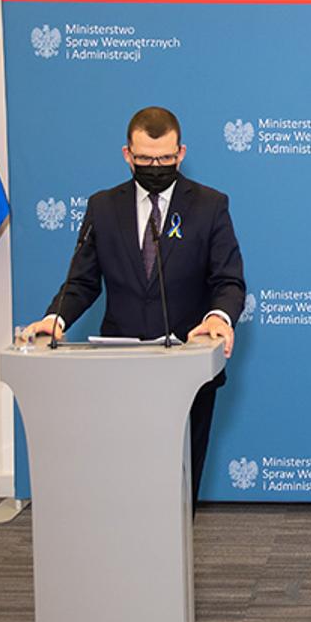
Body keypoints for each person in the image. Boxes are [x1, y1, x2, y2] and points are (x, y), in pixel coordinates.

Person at [20, 106, 246, 506]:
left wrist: (217, 317)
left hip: (186, 370)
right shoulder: (102, 208)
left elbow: (228, 281)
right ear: (127, 154)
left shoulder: (210, 206)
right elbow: (83, 281)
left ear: (181, 153)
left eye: (164, 158)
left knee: (178, 487)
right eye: (145, 159)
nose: (155, 166)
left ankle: (173, 568)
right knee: (121, 485)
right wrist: (55, 318)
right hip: (118, 369)